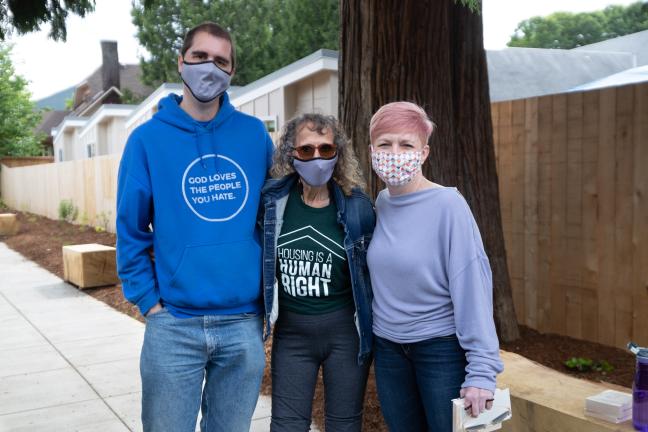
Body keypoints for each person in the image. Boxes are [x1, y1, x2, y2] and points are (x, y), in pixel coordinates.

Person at [116, 22, 273, 432]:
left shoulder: (254, 136)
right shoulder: (147, 140)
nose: (209, 67)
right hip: (175, 326)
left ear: (232, 72)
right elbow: (130, 229)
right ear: (181, 62)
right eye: (200, 57)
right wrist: (149, 302)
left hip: (242, 325)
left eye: (221, 60)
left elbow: (271, 218)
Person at [366, 101, 504, 432]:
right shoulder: (382, 203)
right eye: (385, 143)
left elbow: (473, 287)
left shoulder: (449, 206)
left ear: (424, 153)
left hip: (439, 351)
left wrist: (482, 371)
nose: (394, 152)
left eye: (406, 144)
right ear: (371, 150)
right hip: (388, 351)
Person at [260, 113, 375, 431]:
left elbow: (373, 273)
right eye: (306, 149)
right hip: (292, 335)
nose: (317, 157)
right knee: (286, 425)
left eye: (325, 149)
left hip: (345, 335)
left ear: (338, 152)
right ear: (290, 153)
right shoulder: (273, 203)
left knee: (344, 425)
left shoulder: (358, 207)